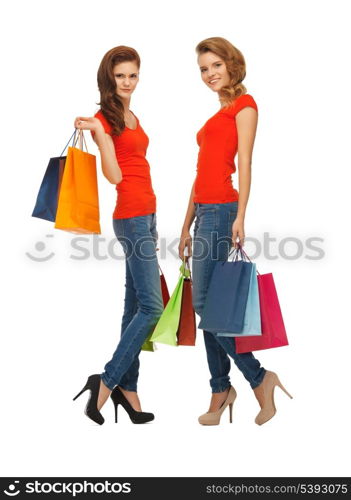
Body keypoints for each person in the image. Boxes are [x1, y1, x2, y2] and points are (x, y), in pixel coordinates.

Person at [178, 37, 292, 426]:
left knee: (205, 308)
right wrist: (185, 225)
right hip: (203, 212)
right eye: (203, 69)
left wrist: (241, 215)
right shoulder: (217, 114)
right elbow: (200, 176)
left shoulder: (245, 106)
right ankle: (220, 388)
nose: (209, 74)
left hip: (223, 211)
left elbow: (244, 163)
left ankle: (257, 379)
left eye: (215, 66)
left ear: (231, 64)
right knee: (211, 308)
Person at [73, 46, 163, 425]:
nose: (127, 82)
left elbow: (138, 163)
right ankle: (106, 381)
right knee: (153, 307)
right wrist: (101, 135)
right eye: (120, 76)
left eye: (132, 75)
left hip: (149, 214)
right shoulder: (103, 119)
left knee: (134, 307)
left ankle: (129, 387)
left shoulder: (132, 114)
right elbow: (114, 175)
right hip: (130, 216)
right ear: (109, 79)